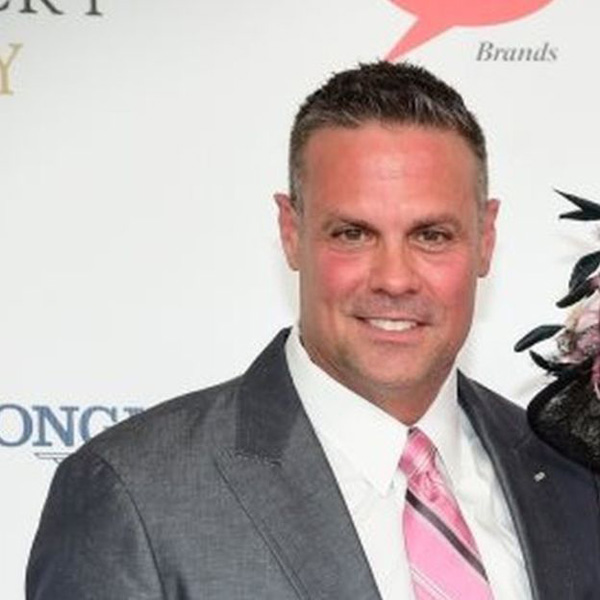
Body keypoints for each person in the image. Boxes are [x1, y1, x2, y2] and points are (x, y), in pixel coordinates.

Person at [27, 62, 599, 600]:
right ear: (291, 231)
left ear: (486, 238)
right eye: (353, 234)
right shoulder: (135, 496)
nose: (394, 279)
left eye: (431, 235)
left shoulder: (574, 473)